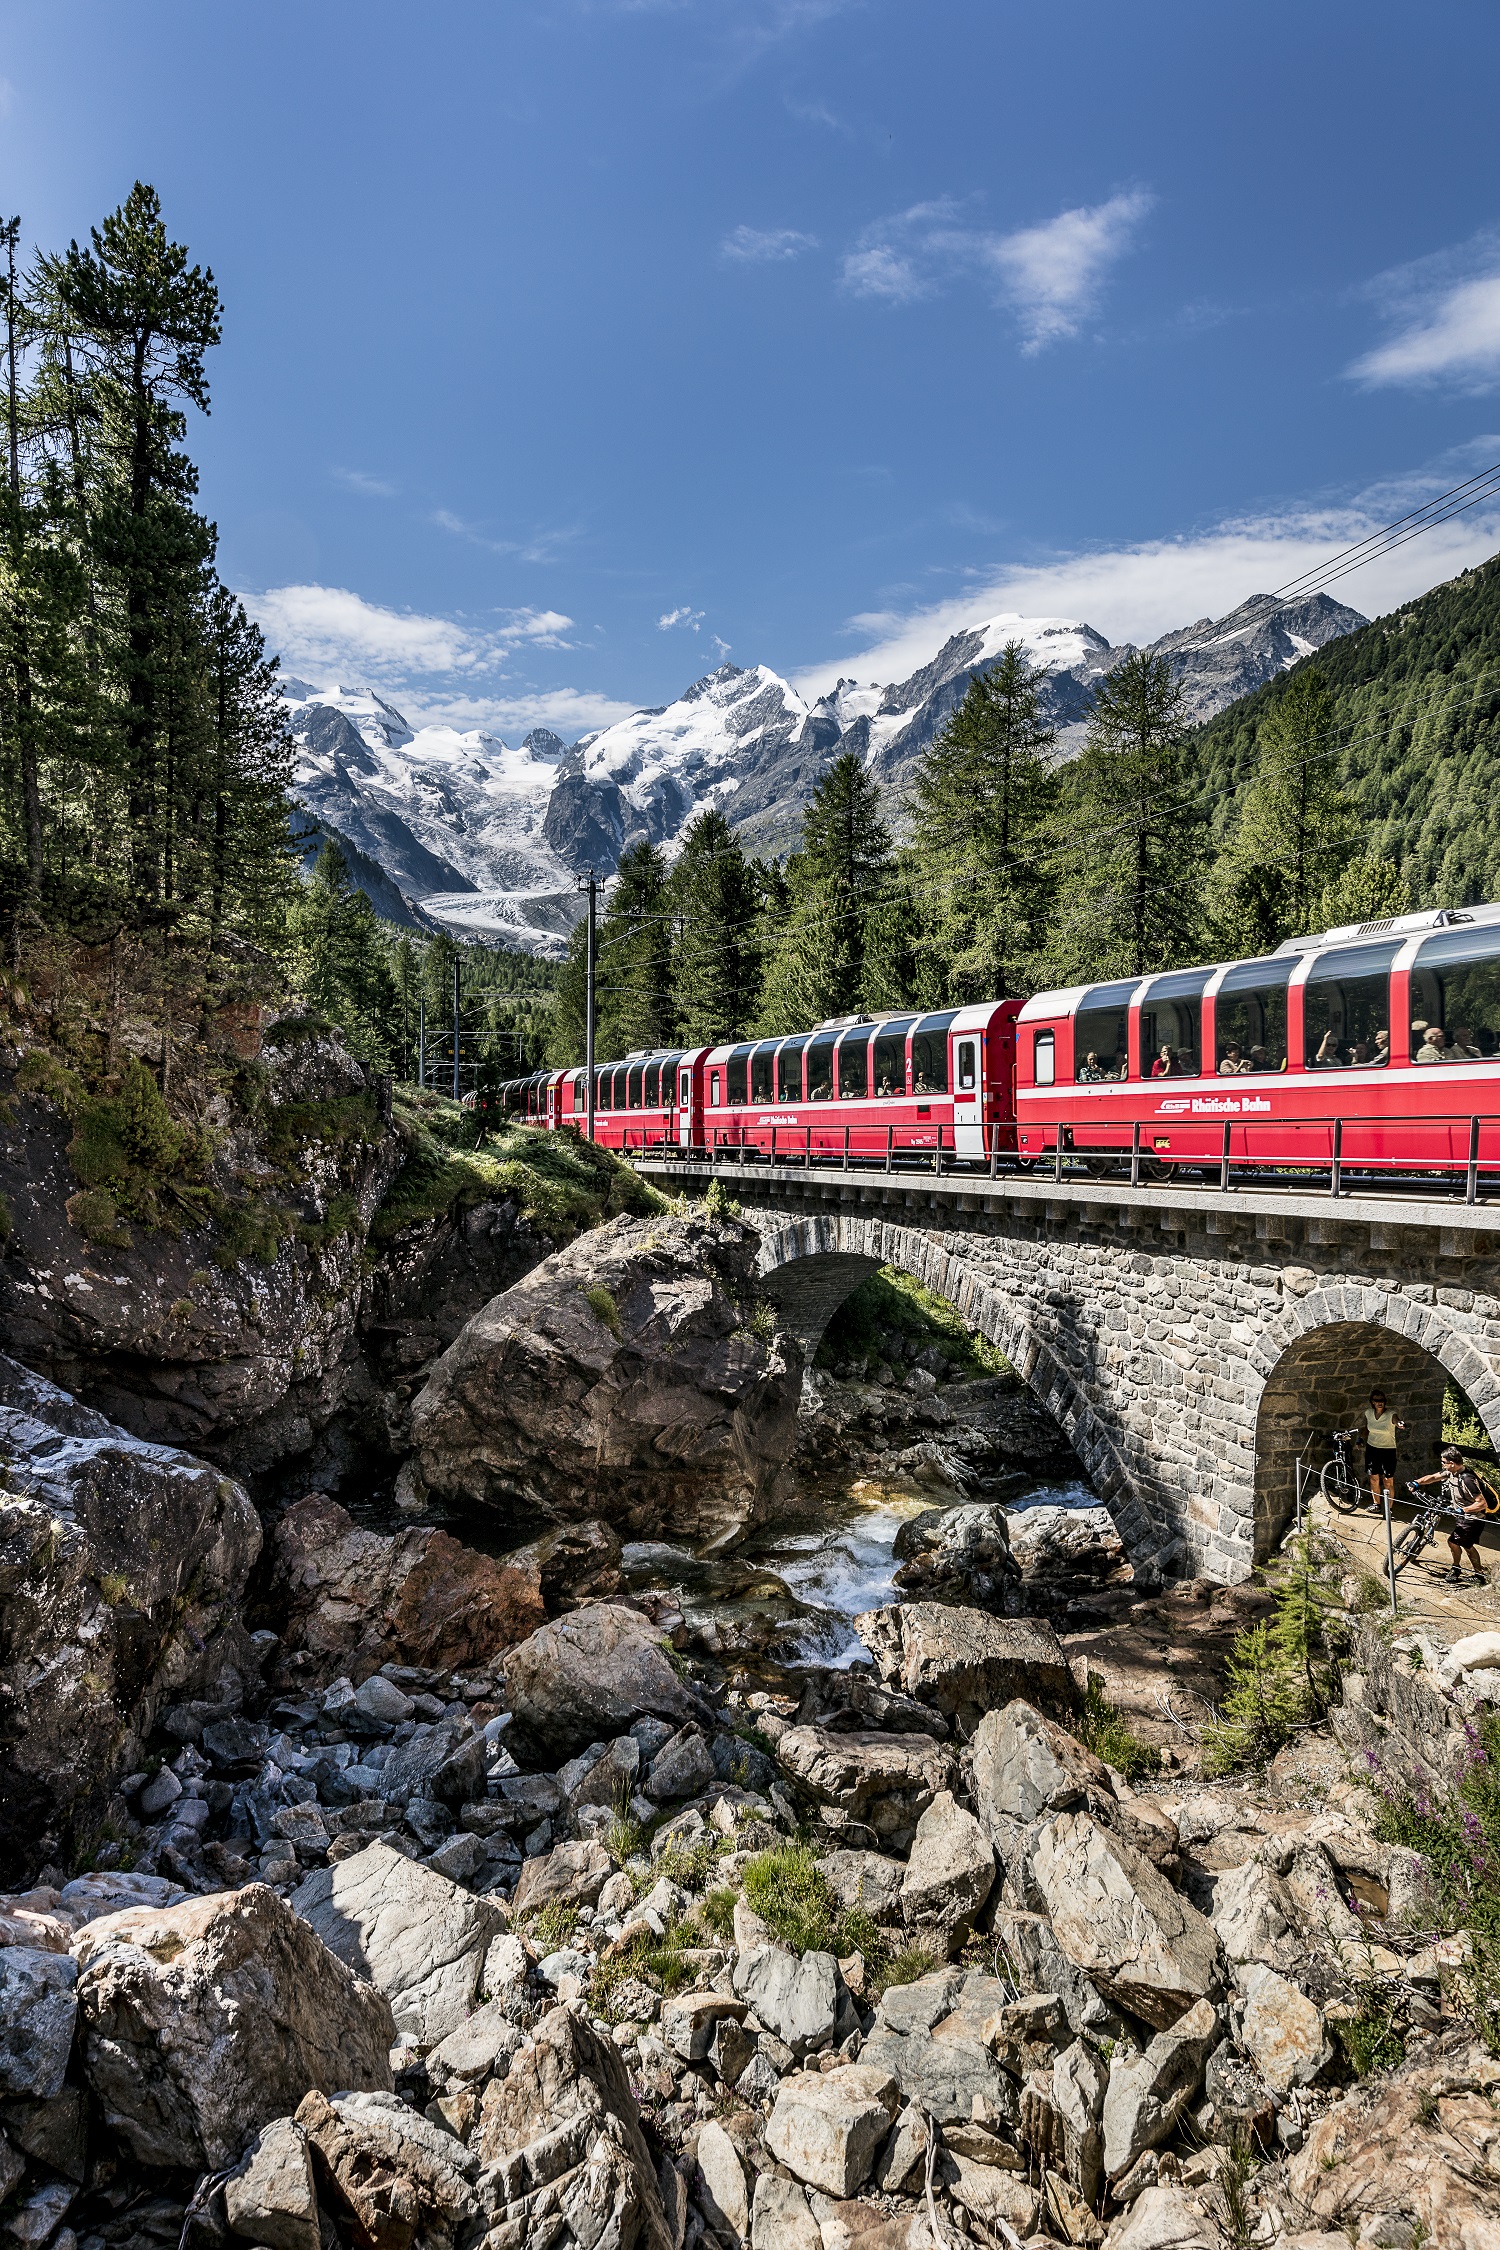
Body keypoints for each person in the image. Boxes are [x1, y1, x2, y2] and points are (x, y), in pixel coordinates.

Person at [1412, 1445, 1493, 1584]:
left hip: (1473, 1518)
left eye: (1444, 1462)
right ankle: (1475, 1573)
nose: (1442, 1465)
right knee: (1466, 1545)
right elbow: (1433, 1477)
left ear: (1452, 1463)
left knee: (1455, 1542)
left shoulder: (1468, 1479)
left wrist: (1463, 1510)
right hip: (1463, 1517)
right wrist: (1416, 1483)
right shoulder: (1451, 1473)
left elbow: (1482, 1503)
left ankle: (1463, 1571)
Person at [1363, 1390, 1403, 1509]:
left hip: (1388, 1450)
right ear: (1372, 1402)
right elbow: (1367, 1428)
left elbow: (1396, 1420)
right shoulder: (1368, 1413)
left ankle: (1388, 1508)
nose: (1380, 1403)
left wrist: (1399, 1423)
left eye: (1382, 1400)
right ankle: (1376, 1504)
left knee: (1388, 1480)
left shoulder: (1391, 1414)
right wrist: (1360, 1438)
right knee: (1374, 1478)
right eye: (1377, 1400)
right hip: (1372, 1448)